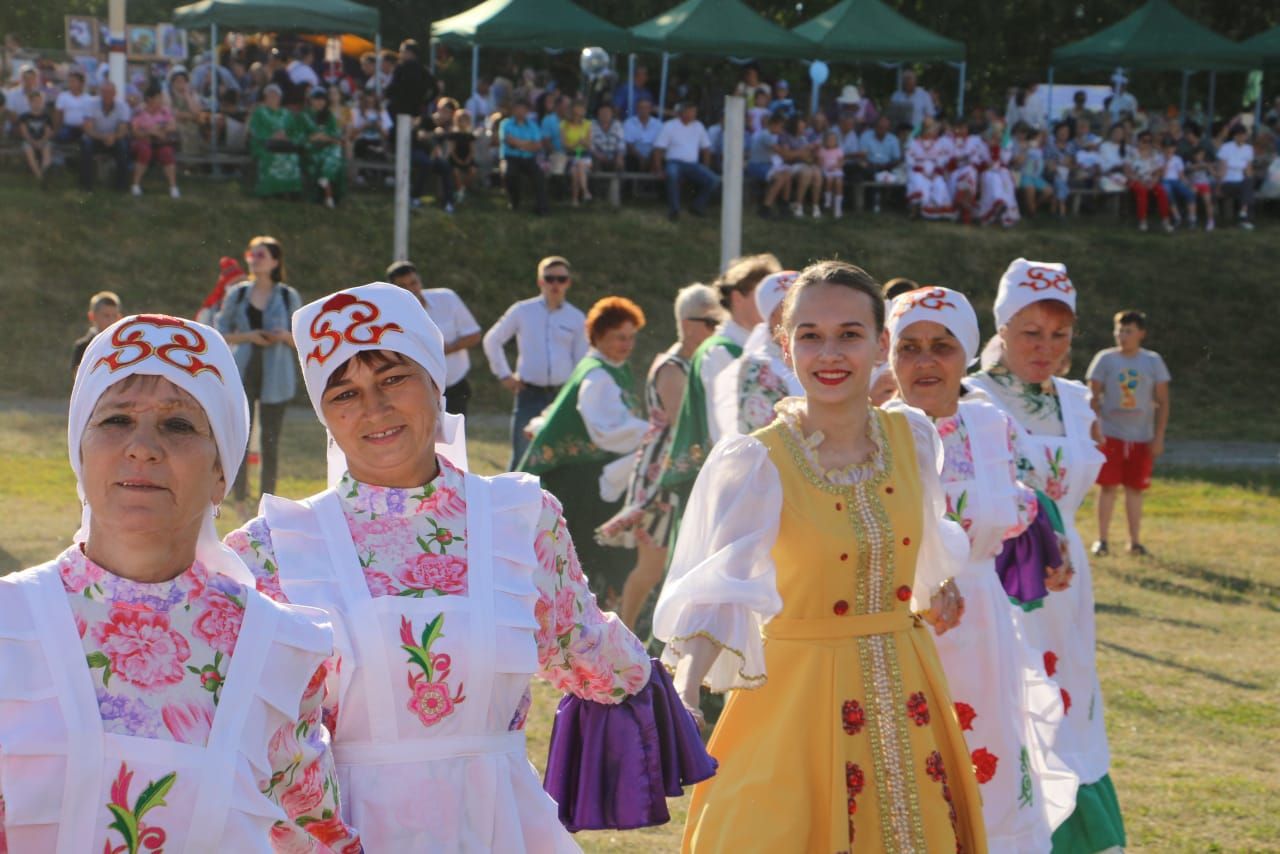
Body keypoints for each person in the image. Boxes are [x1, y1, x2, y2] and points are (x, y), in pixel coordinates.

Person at [225, 283, 714, 850]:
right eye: (344, 394)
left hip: (501, 821)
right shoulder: (273, 549)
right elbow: (258, 732)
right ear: (323, 416)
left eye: (392, 378)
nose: (374, 408)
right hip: (353, 830)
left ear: (436, 382)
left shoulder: (518, 518)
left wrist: (660, 687)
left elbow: (576, 637)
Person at [654, 260, 983, 853]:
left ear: (881, 344)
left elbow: (926, 543)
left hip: (906, 685)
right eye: (810, 335)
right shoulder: (756, 462)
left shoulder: (913, 438)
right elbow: (719, 588)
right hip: (796, 699)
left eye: (849, 335)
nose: (830, 354)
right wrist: (686, 687)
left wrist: (938, 586)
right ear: (786, 345)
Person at [0, 313, 361, 852]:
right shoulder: (10, 624)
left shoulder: (278, 650)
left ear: (222, 471)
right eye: (116, 420)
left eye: (178, 425)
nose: (142, 446)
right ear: (81, 450)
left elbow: (316, 838)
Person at [885, 286, 1079, 850]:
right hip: (906, 622)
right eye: (909, 346)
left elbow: (1017, 501)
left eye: (941, 346)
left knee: (987, 758)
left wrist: (1050, 544)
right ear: (889, 356)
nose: (925, 361)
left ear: (966, 353)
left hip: (986, 623)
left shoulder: (990, 426)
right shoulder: (878, 432)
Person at [968, 259, 1126, 854]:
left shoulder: (1076, 399)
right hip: (1004, 585)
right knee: (1011, 709)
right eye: (1031, 332)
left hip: (1067, 585)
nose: (1046, 348)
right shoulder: (971, 397)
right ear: (1002, 327)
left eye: (1059, 335)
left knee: (1071, 705)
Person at [597, 283, 725, 629]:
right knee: (652, 565)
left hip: (678, 472)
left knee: (671, 563)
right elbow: (684, 420)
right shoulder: (673, 367)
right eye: (712, 322)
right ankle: (622, 630)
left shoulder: (697, 364)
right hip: (661, 475)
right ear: (687, 323)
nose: (718, 329)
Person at [519, 297, 651, 606]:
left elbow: (563, 405)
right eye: (620, 336)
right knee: (585, 551)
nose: (627, 344)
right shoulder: (598, 375)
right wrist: (652, 431)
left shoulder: (610, 368)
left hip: (589, 474)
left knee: (584, 551)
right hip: (579, 479)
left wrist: (541, 423)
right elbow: (607, 429)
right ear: (599, 335)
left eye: (631, 337)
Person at [659, 254, 778, 549]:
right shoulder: (720, 351)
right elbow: (726, 426)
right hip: (723, 480)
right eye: (761, 294)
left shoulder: (758, 349)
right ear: (737, 297)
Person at [214, 236, 301, 512]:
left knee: (270, 440)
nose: (255, 258)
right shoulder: (237, 293)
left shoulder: (288, 295)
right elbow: (220, 333)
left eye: (261, 254)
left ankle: (268, 500)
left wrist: (285, 336)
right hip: (243, 372)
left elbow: (304, 338)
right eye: (252, 254)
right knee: (241, 436)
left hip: (277, 373)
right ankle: (239, 497)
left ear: (275, 261)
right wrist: (249, 335)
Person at [483, 256, 589, 469]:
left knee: (561, 453)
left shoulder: (577, 318)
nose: (555, 285)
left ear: (568, 282)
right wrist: (504, 374)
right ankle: (513, 502)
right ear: (540, 282)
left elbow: (582, 360)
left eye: (561, 279)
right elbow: (492, 340)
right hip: (529, 394)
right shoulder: (523, 311)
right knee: (522, 455)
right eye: (549, 279)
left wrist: (578, 393)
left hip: (562, 395)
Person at [1087, 310, 1171, 558]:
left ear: (1141, 334)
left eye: (1128, 331)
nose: (1122, 336)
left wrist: (1159, 436)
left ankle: (1134, 542)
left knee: (1135, 489)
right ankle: (1102, 540)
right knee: (1108, 487)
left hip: (1141, 436)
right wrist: (1094, 431)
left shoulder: (1152, 361)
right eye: (1119, 331)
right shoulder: (1105, 359)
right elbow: (1092, 398)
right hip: (1110, 434)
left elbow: (1163, 401)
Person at [386, 260, 483, 415]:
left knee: (455, 437)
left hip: (455, 385)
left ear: (420, 281)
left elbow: (474, 335)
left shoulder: (447, 299)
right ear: (394, 289)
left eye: (413, 282)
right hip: (416, 390)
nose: (411, 289)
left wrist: (446, 349)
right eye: (403, 287)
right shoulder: (390, 316)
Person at [722, 270, 803, 435]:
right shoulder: (759, 367)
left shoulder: (824, 356)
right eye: (789, 305)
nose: (803, 311)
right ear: (772, 316)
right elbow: (763, 438)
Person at [653, 101, 719, 221]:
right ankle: (674, 210)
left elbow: (706, 149)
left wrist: (706, 166)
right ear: (682, 112)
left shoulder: (698, 126)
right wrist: (658, 169)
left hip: (692, 164)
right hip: (674, 162)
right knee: (672, 175)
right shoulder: (670, 126)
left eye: (694, 111)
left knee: (713, 180)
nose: (693, 114)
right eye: (691, 111)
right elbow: (659, 149)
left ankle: (697, 206)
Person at [248, 83, 303, 198]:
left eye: (275, 96)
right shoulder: (259, 112)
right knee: (271, 157)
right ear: (265, 98)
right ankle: (269, 191)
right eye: (270, 96)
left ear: (280, 98)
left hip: (285, 145)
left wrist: (287, 137)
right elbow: (254, 130)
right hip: (263, 145)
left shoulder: (286, 114)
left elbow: (295, 131)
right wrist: (271, 136)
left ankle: (290, 191)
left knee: (292, 158)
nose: (273, 98)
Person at [128, 85, 180, 199]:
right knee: (144, 150)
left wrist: (159, 129)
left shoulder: (165, 111)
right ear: (149, 99)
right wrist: (149, 132)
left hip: (160, 142)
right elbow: (134, 132)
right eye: (158, 97)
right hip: (142, 141)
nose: (161, 100)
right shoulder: (139, 111)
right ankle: (135, 185)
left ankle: (173, 187)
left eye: (161, 97)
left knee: (167, 152)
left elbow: (173, 126)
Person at [79, 79, 131, 192]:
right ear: (100, 93)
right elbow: (87, 129)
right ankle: (86, 185)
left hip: (114, 138)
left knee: (123, 146)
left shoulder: (123, 106)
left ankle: (121, 186)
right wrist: (103, 137)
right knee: (86, 144)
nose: (107, 95)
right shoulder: (91, 104)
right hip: (96, 137)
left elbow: (123, 130)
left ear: (115, 93)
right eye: (104, 92)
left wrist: (113, 137)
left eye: (109, 92)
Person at [298, 86, 345, 208]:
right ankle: (327, 193)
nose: (319, 102)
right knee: (325, 158)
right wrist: (311, 138)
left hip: (327, 147)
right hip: (309, 150)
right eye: (316, 99)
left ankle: (326, 183)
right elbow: (297, 136)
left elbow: (336, 136)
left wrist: (326, 138)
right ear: (311, 100)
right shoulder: (303, 116)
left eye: (322, 99)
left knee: (335, 152)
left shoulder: (329, 116)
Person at [499, 99, 549, 214]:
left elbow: (537, 145)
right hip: (511, 158)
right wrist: (527, 143)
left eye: (523, 109)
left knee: (539, 176)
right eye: (518, 109)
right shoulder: (506, 124)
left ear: (527, 111)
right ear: (513, 110)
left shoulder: (533, 125)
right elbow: (509, 141)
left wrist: (518, 144)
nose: (520, 112)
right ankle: (514, 202)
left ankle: (542, 208)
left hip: (528, 159)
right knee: (510, 174)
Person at [906, 118, 956, 220]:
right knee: (919, 182)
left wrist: (936, 172)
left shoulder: (938, 144)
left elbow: (941, 160)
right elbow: (910, 160)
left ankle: (934, 212)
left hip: (934, 172)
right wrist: (921, 171)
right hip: (919, 171)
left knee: (939, 184)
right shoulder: (914, 143)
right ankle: (917, 210)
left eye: (932, 129)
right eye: (928, 128)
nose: (931, 131)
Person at [1125, 130, 1172, 233]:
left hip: (1150, 180)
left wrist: (1154, 181)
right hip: (1135, 179)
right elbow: (1127, 170)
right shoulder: (1132, 153)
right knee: (1142, 191)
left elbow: (1159, 171)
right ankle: (1143, 221)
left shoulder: (1155, 154)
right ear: (1138, 141)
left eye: (1149, 141)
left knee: (1161, 191)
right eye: (1143, 141)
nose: (1146, 143)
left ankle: (1165, 220)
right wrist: (1139, 180)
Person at [746, 111, 792, 217]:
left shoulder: (771, 135)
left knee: (787, 175)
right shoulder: (766, 135)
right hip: (756, 166)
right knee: (780, 178)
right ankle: (765, 207)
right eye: (781, 126)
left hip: (766, 165)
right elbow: (784, 154)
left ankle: (784, 205)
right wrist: (802, 152)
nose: (782, 130)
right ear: (774, 124)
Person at [70, 290, 122, 375]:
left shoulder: (124, 347)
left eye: (115, 316)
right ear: (92, 316)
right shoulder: (83, 347)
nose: (112, 321)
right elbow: (79, 379)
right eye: (106, 316)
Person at [779, 114, 821, 218]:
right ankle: (798, 205)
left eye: (804, 127)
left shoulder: (803, 138)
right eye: (801, 127)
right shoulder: (785, 136)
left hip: (802, 164)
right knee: (807, 172)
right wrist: (803, 153)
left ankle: (815, 206)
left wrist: (813, 153)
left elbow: (808, 157)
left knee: (817, 172)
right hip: (788, 165)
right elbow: (787, 156)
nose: (803, 129)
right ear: (794, 126)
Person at [1216, 123, 1257, 230]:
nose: (1242, 137)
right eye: (1239, 135)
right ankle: (1244, 217)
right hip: (1228, 182)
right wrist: (1219, 186)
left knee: (1248, 182)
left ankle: (1243, 214)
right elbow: (1222, 169)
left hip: (1242, 182)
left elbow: (1249, 169)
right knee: (1248, 189)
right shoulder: (1226, 147)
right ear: (1234, 136)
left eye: (1243, 135)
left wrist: (1249, 176)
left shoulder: (1249, 149)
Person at [562, 98, 593, 206]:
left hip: (584, 156)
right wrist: (576, 144)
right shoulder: (564, 125)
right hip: (570, 156)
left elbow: (589, 145)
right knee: (576, 168)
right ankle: (585, 191)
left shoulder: (588, 124)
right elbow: (565, 145)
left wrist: (582, 142)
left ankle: (575, 199)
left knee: (578, 166)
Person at [17, 88, 52, 182]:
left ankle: (45, 173)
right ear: (29, 102)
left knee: (47, 151)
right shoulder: (24, 117)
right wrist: (33, 142)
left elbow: (48, 132)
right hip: (29, 141)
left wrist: (41, 141)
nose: (37, 103)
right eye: (35, 101)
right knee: (28, 151)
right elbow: (24, 133)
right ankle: (39, 176)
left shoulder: (46, 116)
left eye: (39, 101)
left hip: (43, 141)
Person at [1159, 135, 1193, 227]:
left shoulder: (1178, 159)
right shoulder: (1159, 158)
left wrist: (1189, 184)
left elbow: (1181, 175)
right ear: (1162, 148)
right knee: (1168, 192)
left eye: (1171, 147)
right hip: (1165, 181)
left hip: (1176, 181)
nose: (1169, 150)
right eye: (1166, 148)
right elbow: (1162, 175)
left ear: (1175, 148)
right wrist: (1166, 161)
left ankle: (1192, 218)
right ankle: (1177, 217)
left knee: (1189, 192)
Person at [53, 68, 93, 143]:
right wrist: (56, 130)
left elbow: (90, 117)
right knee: (62, 135)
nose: (70, 83)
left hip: (84, 128)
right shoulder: (63, 96)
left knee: (88, 140)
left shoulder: (89, 99)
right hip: (68, 127)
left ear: (81, 83)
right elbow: (58, 114)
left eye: (73, 81)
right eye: (69, 81)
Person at [623, 96, 663, 171]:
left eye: (646, 107)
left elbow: (660, 145)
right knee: (630, 161)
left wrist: (652, 157)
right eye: (641, 107)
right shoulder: (628, 123)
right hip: (634, 155)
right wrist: (640, 158)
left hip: (653, 155)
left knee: (658, 159)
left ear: (650, 109)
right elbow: (628, 144)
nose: (643, 110)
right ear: (637, 109)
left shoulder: (658, 124)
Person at [590, 102, 626, 174]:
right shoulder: (591, 125)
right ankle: (598, 184)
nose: (605, 114)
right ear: (598, 114)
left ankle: (615, 184)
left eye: (607, 112)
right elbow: (590, 144)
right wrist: (598, 154)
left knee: (620, 162)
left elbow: (621, 143)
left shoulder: (617, 125)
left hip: (614, 156)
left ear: (612, 114)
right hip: (597, 156)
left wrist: (619, 156)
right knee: (594, 161)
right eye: (602, 112)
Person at [1186, 146, 1216, 231]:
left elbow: (1213, 173)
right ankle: (1192, 220)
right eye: (1199, 154)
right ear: (1194, 155)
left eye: (1202, 154)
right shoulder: (1189, 163)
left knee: (1208, 201)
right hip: (1193, 184)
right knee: (1191, 198)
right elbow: (1191, 168)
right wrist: (1203, 165)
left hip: (1204, 184)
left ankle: (1210, 221)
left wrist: (1211, 168)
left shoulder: (1206, 163)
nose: (1201, 156)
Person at [818, 129, 846, 217]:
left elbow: (841, 162)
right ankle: (828, 200)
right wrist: (826, 167)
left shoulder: (838, 150)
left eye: (833, 140)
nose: (831, 142)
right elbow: (820, 162)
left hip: (836, 169)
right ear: (825, 141)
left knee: (839, 182)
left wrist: (836, 166)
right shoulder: (822, 150)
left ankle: (838, 208)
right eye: (829, 140)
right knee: (829, 180)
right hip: (826, 170)